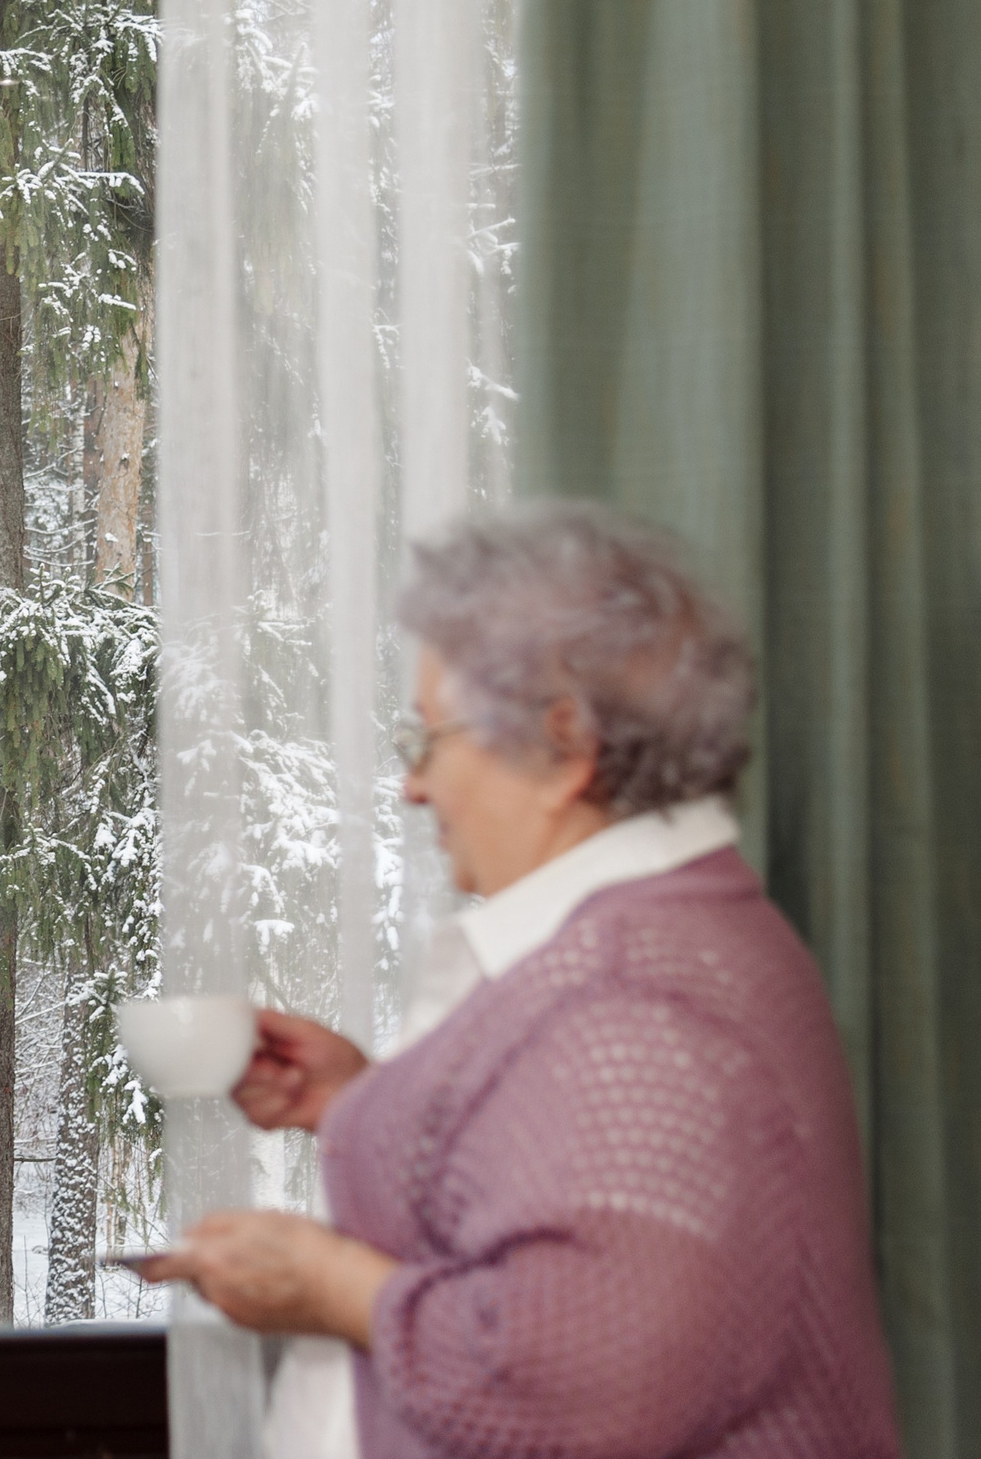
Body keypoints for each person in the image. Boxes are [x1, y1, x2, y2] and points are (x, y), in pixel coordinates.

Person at [141, 502, 897, 1459]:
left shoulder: (637, 1009)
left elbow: (575, 1393)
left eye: (432, 741)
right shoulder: (665, 941)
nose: (414, 787)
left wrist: (330, 1288)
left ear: (566, 747)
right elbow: (579, 1189)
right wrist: (363, 1103)